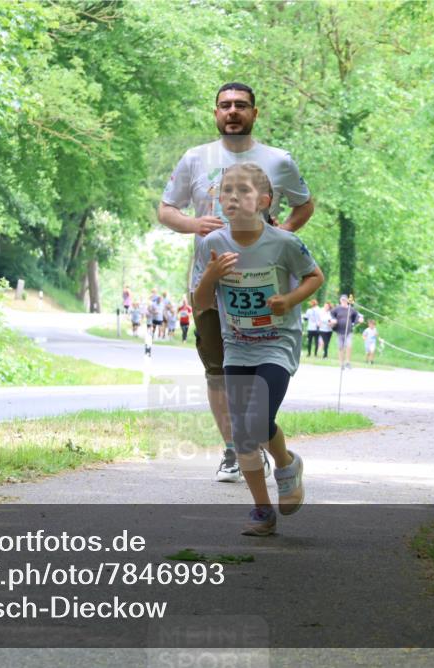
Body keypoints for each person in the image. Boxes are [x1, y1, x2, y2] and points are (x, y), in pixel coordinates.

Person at [158, 82, 314, 483]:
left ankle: (257, 437)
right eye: (225, 105)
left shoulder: (278, 161)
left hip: (265, 285)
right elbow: (166, 209)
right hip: (211, 284)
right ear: (215, 113)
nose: (232, 112)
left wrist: (283, 234)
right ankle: (234, 449)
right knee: (218, 370)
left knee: (264, 364)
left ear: (254, 113)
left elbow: (304, 203)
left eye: (240, 105)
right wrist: (193, 224)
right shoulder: (196, 158)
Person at [192, 162, 323, 535]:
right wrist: (213, 278)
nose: (233, 196)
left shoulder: (283, 243)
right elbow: (200, 301)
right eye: (227, 190)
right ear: (218, 199)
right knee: (245, 433)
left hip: (276, 344)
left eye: (243, 190)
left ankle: (285, 464)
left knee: (257, 420)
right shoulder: (212, 244)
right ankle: (262, 511)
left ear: (264, 200)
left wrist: (289, 299)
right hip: (237, 346)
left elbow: (315, 276)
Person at [330, 296, 361, 369]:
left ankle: (348, 362)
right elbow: (331, 314)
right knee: (340, 347)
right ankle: (341, 364)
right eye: (342, 300)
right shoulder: (337, 309)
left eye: (345, 300)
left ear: (347, 300)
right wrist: (333, 320)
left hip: (348, 331)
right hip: (339, 331)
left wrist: (358, 321)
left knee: (349, 346)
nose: (343, 301)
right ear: (340, 300)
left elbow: (357, 316)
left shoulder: (351, 309)